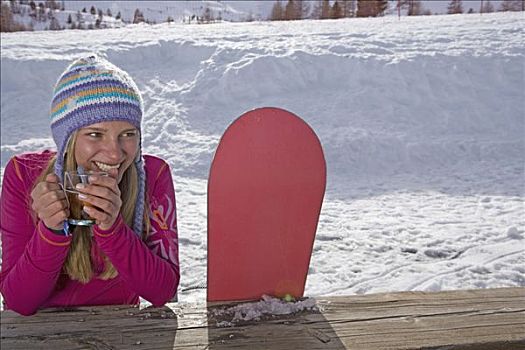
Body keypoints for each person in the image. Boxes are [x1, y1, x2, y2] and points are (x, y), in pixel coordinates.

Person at [0, 55, 179, 315]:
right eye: (95, 134)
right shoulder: (24, 175)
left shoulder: (153, 174)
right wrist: (50, 231)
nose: (115, 154)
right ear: (67, 139)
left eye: (127, 134)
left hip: (123, 331)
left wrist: (113, 228)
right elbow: (19, 301)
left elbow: (163, 291)